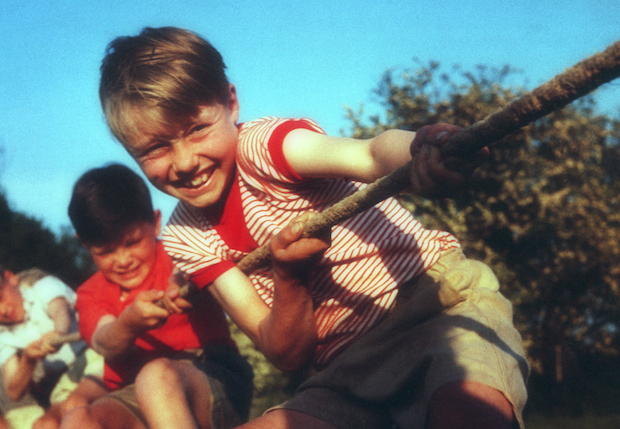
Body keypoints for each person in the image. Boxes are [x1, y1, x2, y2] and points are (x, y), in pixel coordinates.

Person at [97, 26, 530, 429]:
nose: (186, 161)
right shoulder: (185, 237)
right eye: (155, 148)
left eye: (197, 129)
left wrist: (418, 149)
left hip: (435, 307)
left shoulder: (266, 146)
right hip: (345, 366)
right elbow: (285, 353)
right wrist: (289, 279)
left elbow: (369, 156)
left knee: (469, 413)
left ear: (230, 104)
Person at [62, 164, 254, 429]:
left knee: (155, 377)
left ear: (155, 223)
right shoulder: (90, 293)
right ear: (84, 244)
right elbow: (104, 341)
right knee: (77, 419)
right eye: (106, 251)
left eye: (132, 242)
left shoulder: (179, 251)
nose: (123, 260)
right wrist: (129, 322)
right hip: (134, 390)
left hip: (211, 374)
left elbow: (186, 268)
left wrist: (186, 282)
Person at [0, 267, 87, 429]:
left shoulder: (44, 287)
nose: (2, 311)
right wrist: (28, 359)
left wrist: (58, 332)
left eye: (1, 297)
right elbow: (13, 391)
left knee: (71, 408)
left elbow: (60, 311)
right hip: (58, 383)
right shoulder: (2, 335)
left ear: (11, 278)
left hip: (89, 356)